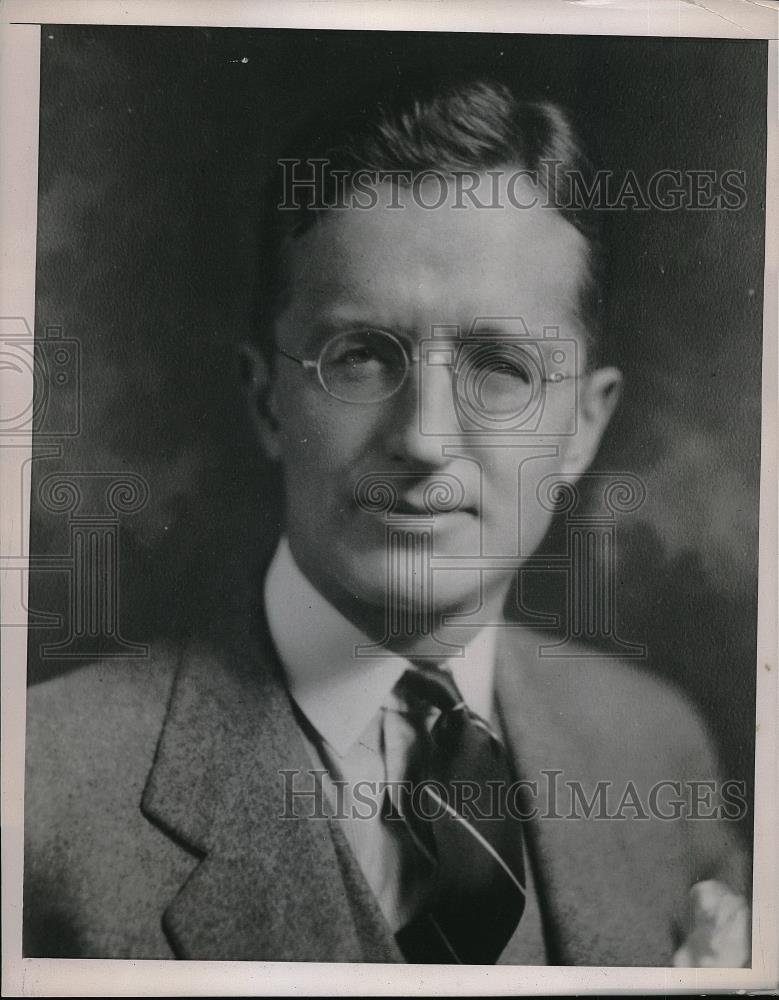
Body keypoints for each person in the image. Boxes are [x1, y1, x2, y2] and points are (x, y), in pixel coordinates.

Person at [23, 75, 750, 965]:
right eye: (360, 355)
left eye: (500, 365)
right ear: (266, 399)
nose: (424, 438)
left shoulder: (654, 745)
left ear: (583, 426)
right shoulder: (39, 793)